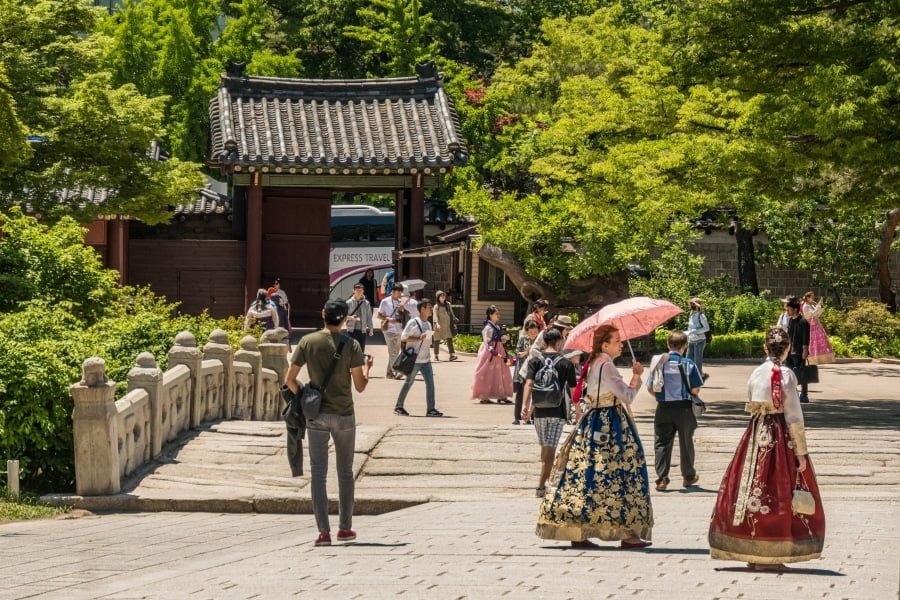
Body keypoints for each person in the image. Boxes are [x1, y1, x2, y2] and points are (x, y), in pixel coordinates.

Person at [708, 327, 825, 570]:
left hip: (756, 431)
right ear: (788, 348)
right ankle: (774, 548)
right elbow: (794, 415)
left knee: (749, 484)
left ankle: (750, 547)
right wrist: (800, 452)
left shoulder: (756, 372)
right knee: (778, 487)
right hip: (779, 434)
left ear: (765, 348)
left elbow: (750, 399)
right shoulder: (787, 375)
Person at [536, 325, 652, 549]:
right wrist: (636, 376)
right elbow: (627, 396)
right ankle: (627, 533)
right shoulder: (606, 365)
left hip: (592, 420)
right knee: (620, 475)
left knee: (587, 475)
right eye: (617, 340)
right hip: (611, 423)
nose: (621, 344)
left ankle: (579, 530)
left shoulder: (594, 363)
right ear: (605, 345)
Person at [284, 299, 374, 547]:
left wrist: (305, 397)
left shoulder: (308, 341)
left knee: (318, 473)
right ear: (345, 319)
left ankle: (323, 532)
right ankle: (345, 528)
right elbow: (360, 385)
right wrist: (367, 368)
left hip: (316, 415)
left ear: (323, 314)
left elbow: (289, 380)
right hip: (344, 414)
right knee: (345, 472)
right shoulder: (352, 345)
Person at [521, 328, 577, 497]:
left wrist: (525, 406)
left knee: (545, 448)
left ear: (544, 342)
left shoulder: (535, 361)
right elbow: (573, 390)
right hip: (557, 412)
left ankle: (543, 480)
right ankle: (541, 485)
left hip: (538, 412)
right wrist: (579, 410)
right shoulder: (566, 363)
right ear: (559, 342)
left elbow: (529, 384)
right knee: (549, 449)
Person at [646, 331, 704, 492]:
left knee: (662, 443)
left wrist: (661, 396)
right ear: (684, 346)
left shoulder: (658, 363)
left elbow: (650, 387)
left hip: (663, 408)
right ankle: (688, 476)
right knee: (686, 442)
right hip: (684, 409)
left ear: (668, 345)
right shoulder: (689, 364)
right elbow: (695, 390)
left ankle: (662, 479)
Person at [394, 298, 444, 417]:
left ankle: (431, 409)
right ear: (422, 309)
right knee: (408, 382)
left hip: (426, 359)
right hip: (414, 360)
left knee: (430, 384)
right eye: (429, 308)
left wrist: (434, 332)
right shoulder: (413, 322)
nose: (431, 310)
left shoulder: (427, 323)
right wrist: (418, 338)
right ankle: (399, 406)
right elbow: (403, 338)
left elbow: (427, 339)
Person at [472, 305, 514, 404]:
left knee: (502, 372)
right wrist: (492, 350)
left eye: (498, 314)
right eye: (496, 314)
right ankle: (484, 395)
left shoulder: (495, 326)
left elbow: (497, 339)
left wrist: (503, 339)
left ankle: (501, 395)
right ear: (490, 315)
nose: (498, 315)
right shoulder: (488, 327)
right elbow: (487, 341)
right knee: (486, 372)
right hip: (490, 352)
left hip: (498, 350)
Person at [784, 296, 811, 403]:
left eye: (789, 309)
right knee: (789, 373)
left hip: (799, 351)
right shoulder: (790, 320)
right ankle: (792, 393)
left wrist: (805, 350)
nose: (787, 311)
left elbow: (806, 337)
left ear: (795, 309)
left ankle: (804, 394)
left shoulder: (803, 321)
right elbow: (789, 335)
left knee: (802, 373)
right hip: (790, 351)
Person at [513, 320, 540, 424]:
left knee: (535, 394)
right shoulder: (522, 339)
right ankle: (517, 417)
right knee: (520, 394)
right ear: (527, 331)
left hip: (535, 371)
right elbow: (516, 352)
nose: (533, 334)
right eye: (531, 332)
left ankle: (531, 417)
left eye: (535, 331)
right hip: (523, 370)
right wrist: (525, 353)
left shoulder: (540, 340)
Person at [377, 283, 406, 379]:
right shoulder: (385, 301)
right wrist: (389, 319)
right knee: (393, 352)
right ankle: (397, 371)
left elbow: (404, 317)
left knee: (395, 352)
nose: (400, 294)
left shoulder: (400, 302)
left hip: (398, 329)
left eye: (401, 292)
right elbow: (379, 315)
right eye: (399, 292)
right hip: (388, 329)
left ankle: (389, 373)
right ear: (393, 291)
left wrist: (402, 310)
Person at [801, 292, 835, 365]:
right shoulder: (805, 306)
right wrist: (818, 306)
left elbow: (817, 314)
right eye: (812, 297)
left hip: (816, 325)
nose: (813, 299)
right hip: (811, 326)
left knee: (820, 342)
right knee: (813, 342)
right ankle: (813, 358)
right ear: (807, 298)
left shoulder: (811, 305)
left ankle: (820, 358)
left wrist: (820, 306)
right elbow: (810, 315)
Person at [685, 297, 710, 380]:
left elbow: (706, 328)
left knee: (697, 360)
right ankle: (693, 376)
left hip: (699, 341)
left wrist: (695, 331)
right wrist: (688, 334)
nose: (691, 306)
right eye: (691, 304)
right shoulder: (691, 314)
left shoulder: (701, 315)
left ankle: (698, 378)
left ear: (698, 305)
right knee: (688, 360)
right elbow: (690, 327)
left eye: (693, 304)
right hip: (691, 340)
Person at [345, 283, 374, 352]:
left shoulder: (366, 303)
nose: (359, 292)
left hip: (362, 330)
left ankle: (360, 362)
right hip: (351, 330)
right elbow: (343, 316)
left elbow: (369, 317)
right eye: (357, 291)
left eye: (360, 291)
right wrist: (350, 317)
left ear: (363, 291)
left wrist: (371, 328)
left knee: (361, 351)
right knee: (352, 350)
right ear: (353, 291)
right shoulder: (348, 302)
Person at [431, 290, 459, 361]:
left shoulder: (448, 305)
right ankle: (436, 355)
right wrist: (437, 324)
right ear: (438, 297)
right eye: (441, 296)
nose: (443, 297)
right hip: (439, 325)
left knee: (449, 339)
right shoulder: (436, 306)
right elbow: (435, 316)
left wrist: (454, 323)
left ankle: (451, 355)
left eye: (444, 295)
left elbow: (452, 315)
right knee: (437, 340)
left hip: (447, 325)